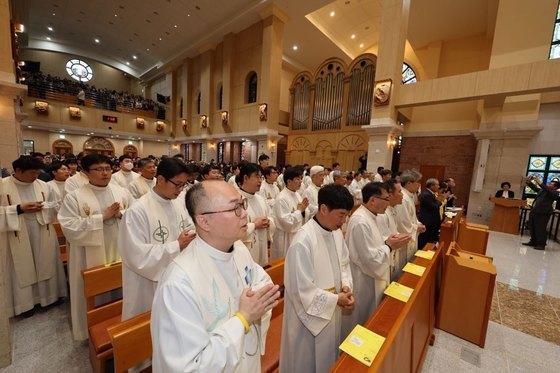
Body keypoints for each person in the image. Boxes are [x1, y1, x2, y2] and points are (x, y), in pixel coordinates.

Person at [151, 181, 280, 372]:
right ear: (204, 221)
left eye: (242, 204)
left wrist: (256, 303)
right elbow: (190, 366)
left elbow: (262, 282)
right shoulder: (179, 283)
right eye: (235, 208)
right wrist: (243, 318)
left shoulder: (239, 250)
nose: (245, 213)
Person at [279, 184, 355, 373]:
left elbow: (344, 263)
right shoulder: (303, 241)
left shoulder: (336, 233)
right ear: (323, 209)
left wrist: (345, 286)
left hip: (332, 310)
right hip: (306, 322)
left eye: (346, 216)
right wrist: (336, 299)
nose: (344, 221)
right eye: (341, 215)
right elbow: (301, 290)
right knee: (305, 363)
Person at [58, 154, 133, 340]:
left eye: (108, 168)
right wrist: (102, 217)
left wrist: (121, 214)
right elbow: (68, 227)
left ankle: (119, 324)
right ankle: (90, 330)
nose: (105, 173)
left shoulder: (121, 192)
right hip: (88, 253)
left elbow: (135, 215)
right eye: (98, 169)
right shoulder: (74, 197)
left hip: (119, 247)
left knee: (120, 286)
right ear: (85, 172)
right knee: (94, 288)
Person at [119, 158, 196, 320]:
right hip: (147, 286)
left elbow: (189, 227)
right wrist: (177, 246)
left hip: (178, 279)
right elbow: (135, 255)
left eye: (184, 184)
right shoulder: (137, 211)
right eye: (177, 184)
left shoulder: (178, 203)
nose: (181, 190)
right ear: (160, 180)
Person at [1, 156, 67, 317]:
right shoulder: (3, 186)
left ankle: (50, 297)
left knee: (46, 262)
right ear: (17, 171)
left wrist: (45, 207)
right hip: (16, 233)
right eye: (32, 173)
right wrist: (18, 209)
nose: (35, 176)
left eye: (38, 172)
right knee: (21, 266)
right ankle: (25, 305)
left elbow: (57, 206)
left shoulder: (44, 186)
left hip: (42, 229)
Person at [346, 182, 410, 325]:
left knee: (371, 314)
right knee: (362, 318)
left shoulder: (370, 216)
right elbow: (370, 259)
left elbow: (374, 242)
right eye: (386, 199)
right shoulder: (361, 221)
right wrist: (389, 245)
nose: (388, 203)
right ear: (373, 200)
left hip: (372, 275)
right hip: (364, 279)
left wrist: (388, 240)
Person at [237, 163, 275, 266]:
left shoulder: (260, 199)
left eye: (261, 177)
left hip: (261, 245)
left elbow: (271, 216)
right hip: (246, 249)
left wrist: (269, 222)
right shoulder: (236, 200)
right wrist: (254, 225)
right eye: (257, 177)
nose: (260, 181)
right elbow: (233, 229)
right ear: (245, 178)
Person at [272, 167, 309, 259]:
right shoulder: (281, 198)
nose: (301, 181)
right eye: (297, 179)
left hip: (296, 235)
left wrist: (304, 211)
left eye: (301, 179)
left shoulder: (296, 194)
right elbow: (286, 222)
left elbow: (303, 213)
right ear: (289, 181)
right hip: (285, 237)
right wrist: (300, 211)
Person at [377, 180, 411, 280]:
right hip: (385, 259)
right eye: (399, 192)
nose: (402, 195)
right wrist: (400, 238)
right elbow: (384, 241)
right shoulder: (382, 214)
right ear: (390, 195)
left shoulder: (392, 209)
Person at [395, 170, 426, 261]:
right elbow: (402, 223)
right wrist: (417, 228)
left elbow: (412, 217)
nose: (419, 185)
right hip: (404, 241)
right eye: (418, 182)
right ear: (409, 183)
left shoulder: (409, 195)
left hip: (411, 235)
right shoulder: (403, 198)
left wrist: (418, 224)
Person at [523, 176, 560, 250]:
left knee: (540, 228)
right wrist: (528, 182)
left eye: (551, 184)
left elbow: (547, 189)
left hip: (543, 213)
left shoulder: (554, 192)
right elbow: (534, 188)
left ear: (555, 187)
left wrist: (539, 182)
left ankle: (541, 244)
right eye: (549, 183)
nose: (549, 184)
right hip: (535, 211)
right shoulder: (543, 190)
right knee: (532, 227)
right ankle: (533, 241)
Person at [417, 178, 442, 250]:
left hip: (432, 221)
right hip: (427, 221)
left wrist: (438, 201)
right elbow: (435, 206)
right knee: (425, 240)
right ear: (431, 186)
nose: (438, 187)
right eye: (437, 185)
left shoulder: (431, 194)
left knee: (430, 239)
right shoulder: (426, 194)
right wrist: (439, 201)